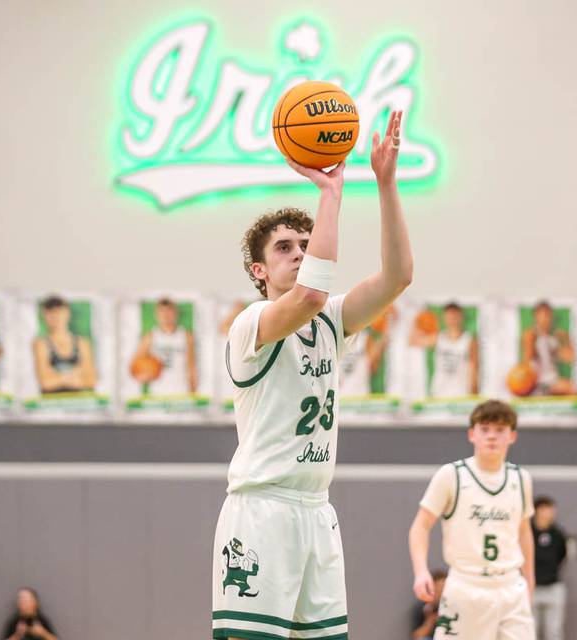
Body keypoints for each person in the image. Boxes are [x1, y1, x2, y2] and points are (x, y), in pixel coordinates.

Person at [212, 111, 412, 640]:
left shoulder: (330, 320)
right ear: (259, 270)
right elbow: (309, 295)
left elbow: (397, 277)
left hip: (318, 511)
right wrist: (331, 192)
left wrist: (386, 185)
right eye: (285, 248)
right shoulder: (250, 325)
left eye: (305, 245)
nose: (300, 253)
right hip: (262, 511)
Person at [408, 399, 536, 640]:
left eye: (500, 430)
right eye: (485, 429)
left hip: (510, 587)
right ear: (471, 434)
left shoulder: (521, 479)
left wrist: (529, 579)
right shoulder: (452, 475)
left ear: (512, 436)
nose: (492, 436)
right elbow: (420, 527)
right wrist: (421, 571)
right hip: (466, 587)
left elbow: (524, 531)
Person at [409, 302, 479, 397]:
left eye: (455, 315)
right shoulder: (439, 338)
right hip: (439, 393)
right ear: (444, 318)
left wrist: (473, 392)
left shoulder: (469, 340)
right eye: (449, 316)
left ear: (461, 317)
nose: (452, 319)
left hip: (461, 393)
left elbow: (474, 367)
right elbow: (413, 341)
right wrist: (417, 320)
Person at [131, 298, 197, 394]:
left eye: (169, 311)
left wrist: (193, 389)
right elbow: (134, 365)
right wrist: (145, 374)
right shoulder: (150, 336)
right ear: (156, 315)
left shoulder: (186, 335)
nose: (166, 315)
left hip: (182, 390)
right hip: (158, 391)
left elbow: (191, 364)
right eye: (162, 312)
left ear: (176, 313)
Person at [33, 296, 96, 393]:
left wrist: (57, 377)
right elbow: (45, 383)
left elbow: (91, 380)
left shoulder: (82, 343)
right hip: (50, 404)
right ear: (44, 316)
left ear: (67, 313)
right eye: (51, 313)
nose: (56, 317)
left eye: (59, 312)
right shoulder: (40, 344)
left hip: (80, 403)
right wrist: (75, 375)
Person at [521, 300, 577, 396]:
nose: (544, 319)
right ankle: (541, 391)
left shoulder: (553, 339)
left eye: (547, 316)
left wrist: (566, 339)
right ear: (536, 317)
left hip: (553, 380)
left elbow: (571, 358)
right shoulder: (531, 334)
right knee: (570, 389)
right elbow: (527, 361)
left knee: (574, 388)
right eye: (541, 315)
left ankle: (547, 392)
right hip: (538, 382)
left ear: (551, 317)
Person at [531, 495, 568, 640]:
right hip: (531, 588)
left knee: (554, 631)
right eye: (547, 510)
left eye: (552, 510)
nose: (551, 514)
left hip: (553, 587)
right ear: (537, 511)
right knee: (529, 630)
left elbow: (562, 556)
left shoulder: (558, 534)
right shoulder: (527, 531)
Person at [410, 569, 448, 640]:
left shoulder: (456, 607)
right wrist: (430, 621)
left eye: (443, 589)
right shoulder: (423, 609)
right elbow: (417, 636)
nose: (440, 593)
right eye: (437, 589)